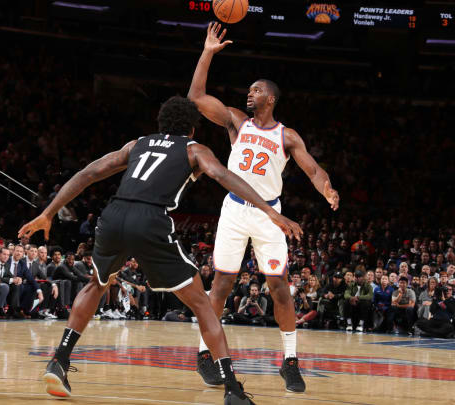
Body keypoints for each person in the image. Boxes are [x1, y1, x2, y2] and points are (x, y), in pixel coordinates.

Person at [18, 96, 301, 404]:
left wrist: (48, 212)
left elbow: (89, 172)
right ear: (191, 129)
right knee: (203, 305)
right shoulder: (195, 149)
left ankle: (59, 359)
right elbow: (223, 176)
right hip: (150, 220)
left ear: (161, 123)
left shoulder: (137, 143)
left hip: (113, 215)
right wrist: (269, 210)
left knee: (96, 284)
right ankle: (233, 388)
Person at [188, 22, 339, 393]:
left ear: (270, 98)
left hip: (270, 215)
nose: (249, 94)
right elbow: (196, 97)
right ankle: (205, 353)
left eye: (256, 91)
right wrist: (208, 51)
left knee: (280, 289)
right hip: (236, 209)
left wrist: (327, 189)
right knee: (222, 283)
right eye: (249, 90)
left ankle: (290, 362)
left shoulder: (287, 137)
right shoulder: (236, 121)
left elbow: (314, 170)